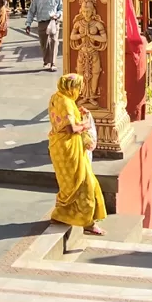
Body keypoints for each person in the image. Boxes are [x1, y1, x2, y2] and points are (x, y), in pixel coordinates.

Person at [48, 72, 106, 235]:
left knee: (69, 185)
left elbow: (62, 119)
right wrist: (85, 125)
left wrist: (77, 113)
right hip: (69, 149)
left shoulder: (57, 96)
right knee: (84, 184)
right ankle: (88, 223)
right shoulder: (66, 102)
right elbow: (71, 128)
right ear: (71, 88)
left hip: (58, 147)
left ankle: (61, 215)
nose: (79, 92)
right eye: (78, 88)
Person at [24, 0, 64, 72]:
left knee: (54, 42)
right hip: (42, 23)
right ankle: (47, 62)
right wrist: (28, 24)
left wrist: (57, 15)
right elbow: (31, 11)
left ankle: (53, 63)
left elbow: (61, 9)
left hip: (53, 22)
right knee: (44, 44)